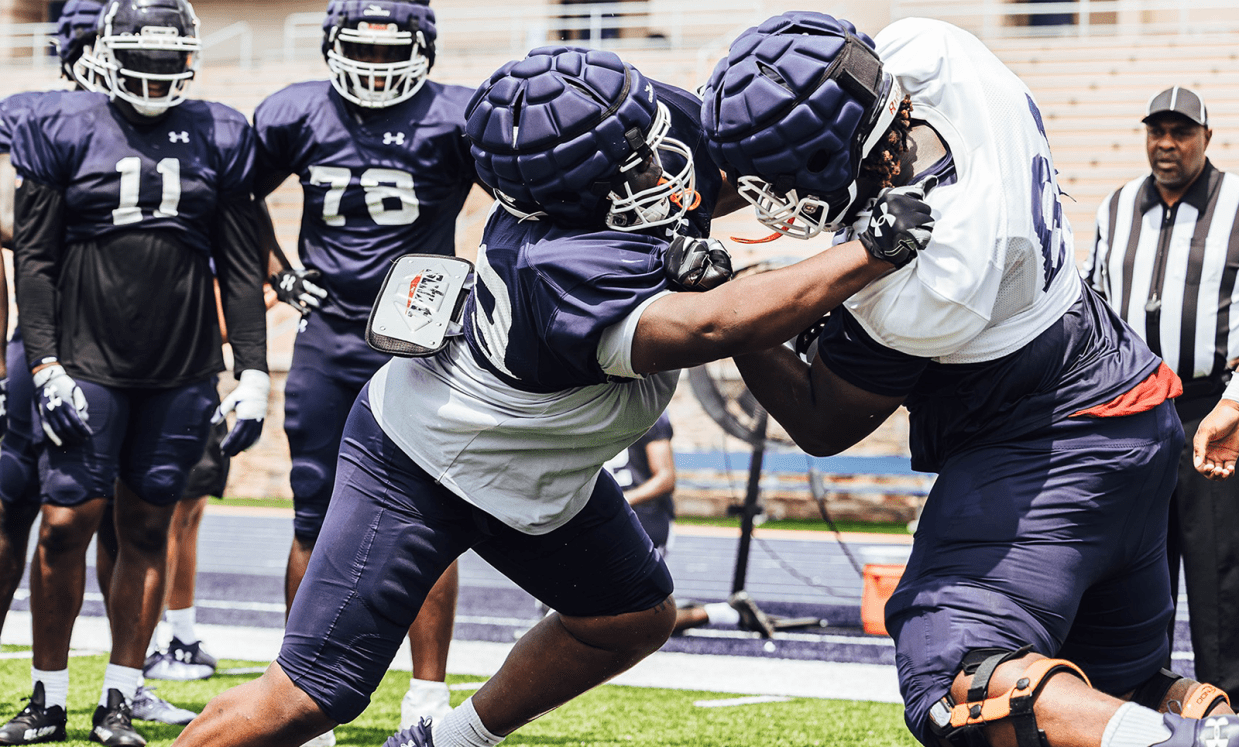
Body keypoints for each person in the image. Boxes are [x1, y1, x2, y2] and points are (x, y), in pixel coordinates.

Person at [170, 44, 932, 747]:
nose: (662, 172)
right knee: (312, 695)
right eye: (629, 175)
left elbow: (734, 146)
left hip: (537, 467)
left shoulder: (633, 129)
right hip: (427, 462)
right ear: (568, 202)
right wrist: (865, 252)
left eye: (648, 146)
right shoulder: (559, 265)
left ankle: (446, 739)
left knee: (628, 617)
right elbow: (708, 328)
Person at [701, 11, 1239, 747]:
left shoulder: (929, 279)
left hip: (1049, 441)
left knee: (955, 675)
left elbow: (823, 421)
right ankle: (1203, 727)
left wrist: (725, 306)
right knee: (1114, 690)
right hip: (1120, 405)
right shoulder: (936, 53)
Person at [0, 0, 270, 742]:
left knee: (147, 526)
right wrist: (47, 360)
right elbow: (36, 257)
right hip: (85, 358)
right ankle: (47, 696)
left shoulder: (222, 129)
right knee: (63, 524)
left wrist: (253, 371)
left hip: (180, 366)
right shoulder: (63, 124)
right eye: (139, 62)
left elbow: (244, 269)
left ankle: (120, 693)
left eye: (165, 63)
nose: (153, 79)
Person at [250, 0, 478, 737]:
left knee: (434, 516)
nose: (376, 68)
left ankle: (427, 694)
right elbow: (232, 195)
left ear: (423, 50)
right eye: (362, 51)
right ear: (332, 47)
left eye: (391, 53)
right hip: (330, 332)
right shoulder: (296, 112)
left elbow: (523, 197)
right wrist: (279, 272)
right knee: (313, 510)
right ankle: (299, 693)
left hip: (421, 338)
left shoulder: (455, 116)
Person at [1084, 86, 1239, 705]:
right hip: (1134, 408)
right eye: (1157, 132)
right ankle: (1130, 704)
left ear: (1206, 136)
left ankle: (1227, 708)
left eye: (1180, 132)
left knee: (1217, 571)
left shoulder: (1236, 203)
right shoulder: (1118, 205)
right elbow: (1092, 301)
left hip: (1212, 405)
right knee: (1130, 566)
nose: (1166, 145)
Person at [0, 0, 104, 642]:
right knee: (13, 501)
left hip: (135, 350)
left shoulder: (178, 127)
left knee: (128, 519)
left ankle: (126, 680)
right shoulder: (30, 114)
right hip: (42, 334)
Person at [601, 412, 742, 633]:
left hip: (643, 524)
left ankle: (723, 613)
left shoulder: (646, 411)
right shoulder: (586, 405)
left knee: (620, 625)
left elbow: (665, 479)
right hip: (602, 526)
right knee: (586, 617)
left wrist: (620, 501)